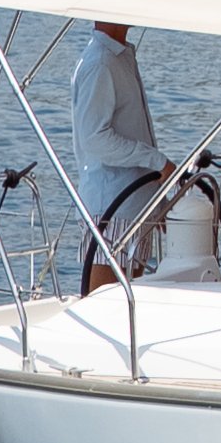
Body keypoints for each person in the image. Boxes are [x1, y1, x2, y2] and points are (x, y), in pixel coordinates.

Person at [70, 21, 171, 276]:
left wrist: (158, 200)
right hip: (112, 209)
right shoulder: (100, 63)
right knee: (103, 307)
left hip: (134, 207)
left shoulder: (120, 57)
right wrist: (158, 162)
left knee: (126, 309)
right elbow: (95, 139)